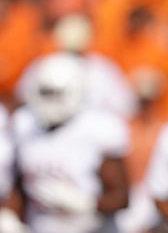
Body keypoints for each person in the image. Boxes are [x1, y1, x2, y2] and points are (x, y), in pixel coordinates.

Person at [1, 52, 130, 233]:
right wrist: (9, 216)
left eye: (56, 93)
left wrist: (87, 204)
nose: (49, 100)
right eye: (46, 92)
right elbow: (19, 185)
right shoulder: (25, 125)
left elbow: (121, 197)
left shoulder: (99, 129)